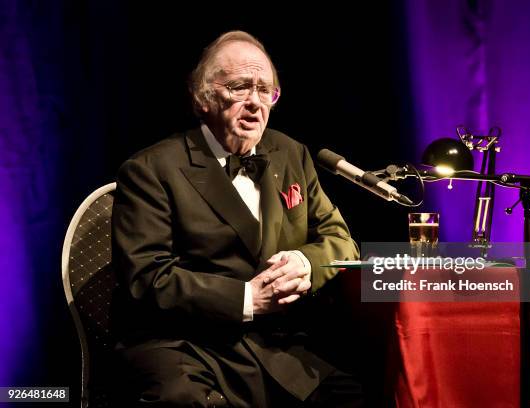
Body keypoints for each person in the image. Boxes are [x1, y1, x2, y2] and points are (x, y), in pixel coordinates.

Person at [111, 30, 363, 407]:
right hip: (186, 345)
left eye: (266, 91)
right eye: (240, 87)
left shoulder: (291, 154)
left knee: (360, 393)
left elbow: (341, 240)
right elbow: (147, 278)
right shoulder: (152, 168)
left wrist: (305, 262)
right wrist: (248, 299)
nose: (254, 103)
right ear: (203, 98)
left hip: (276, 347)